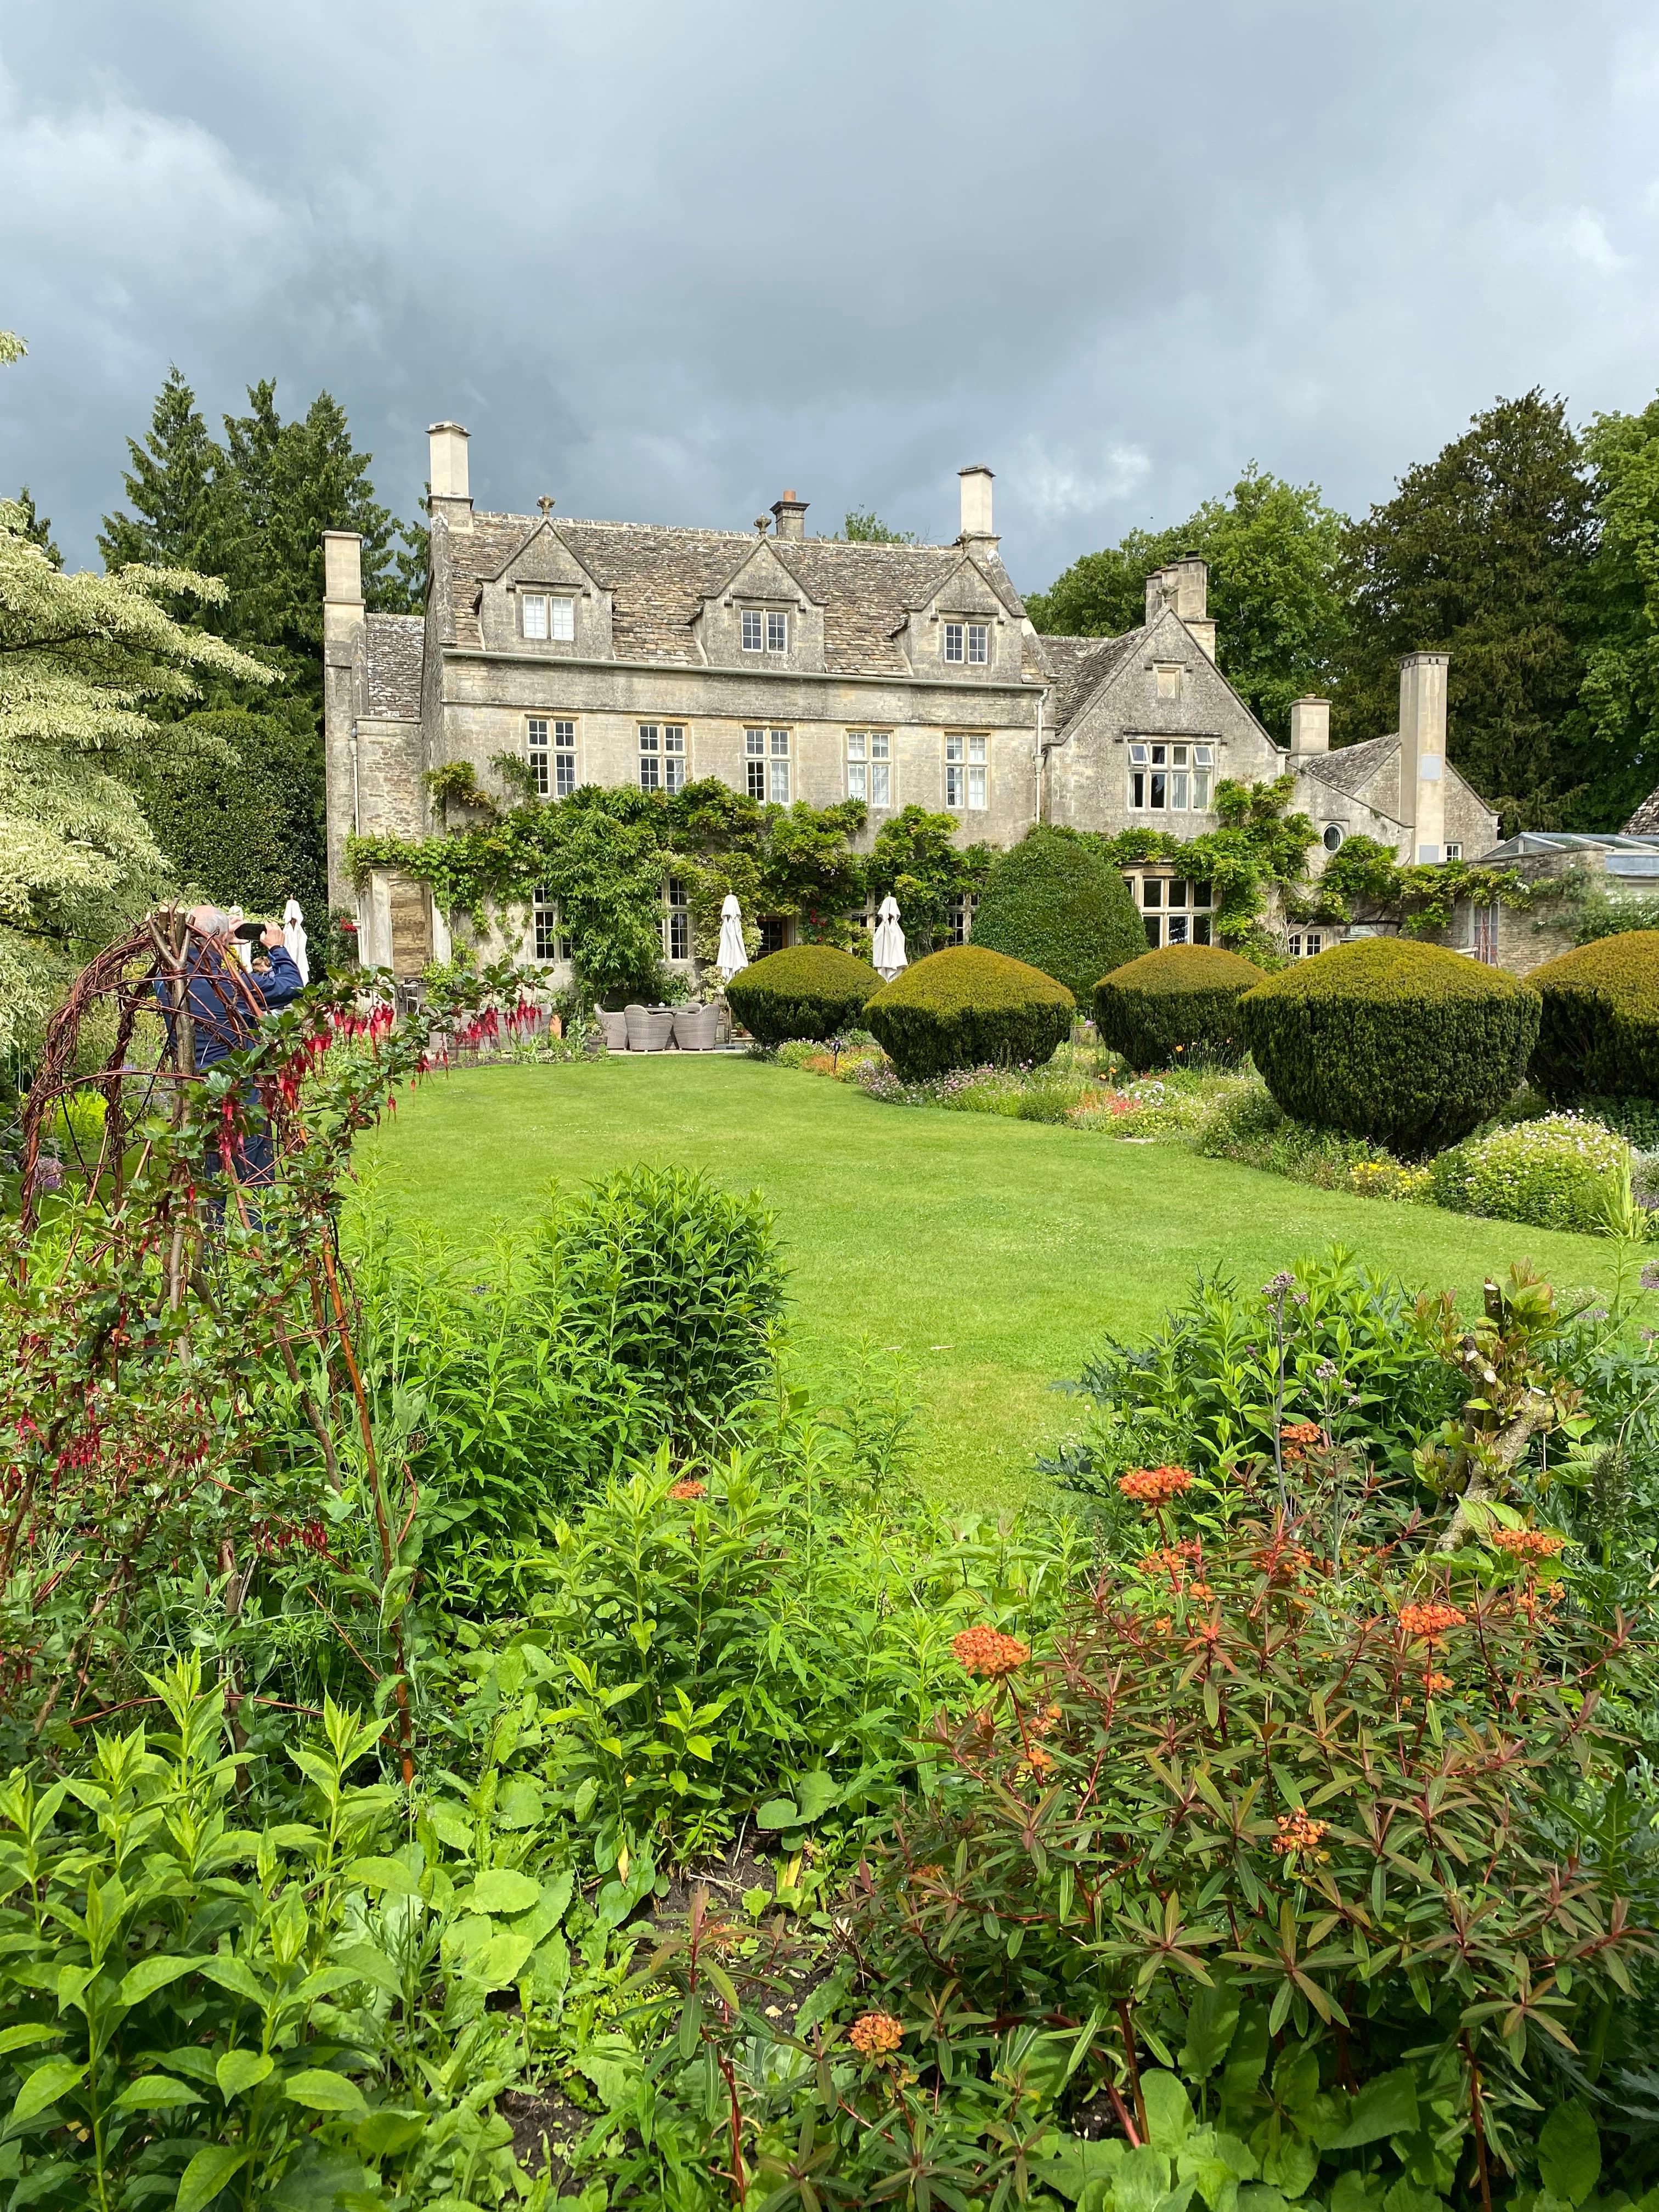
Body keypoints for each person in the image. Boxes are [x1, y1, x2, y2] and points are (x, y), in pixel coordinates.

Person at [155, 905, 306, 1215]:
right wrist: (276, 948)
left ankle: (207, 1258)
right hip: (241, 1096)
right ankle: (265, 1254)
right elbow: (291, 986)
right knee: (258, 1181)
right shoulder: (231, 985)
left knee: (209, 1191)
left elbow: (188, 961)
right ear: (219, 939)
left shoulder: (166, 981)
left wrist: (218, 941)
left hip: (195, 1095)